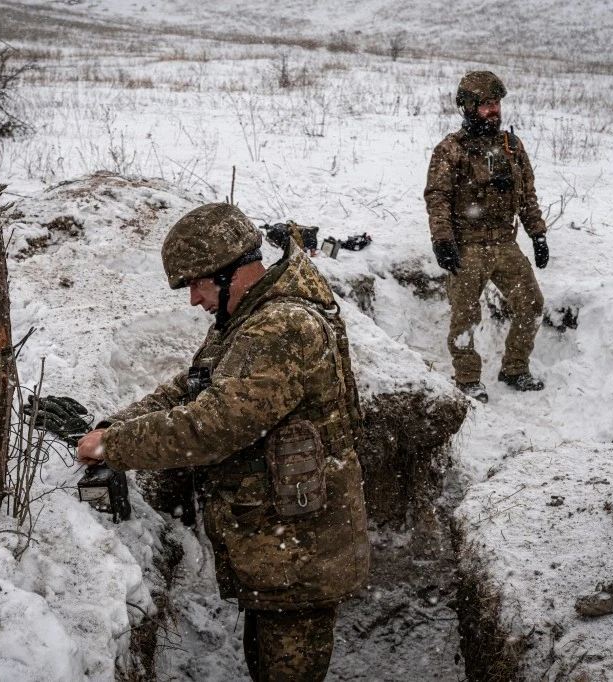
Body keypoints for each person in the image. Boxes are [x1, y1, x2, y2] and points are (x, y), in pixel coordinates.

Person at [76, 203, 370, 681]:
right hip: (278, 550)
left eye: (198, 284)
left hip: (300, 555)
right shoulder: (245, 321)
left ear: (234, 272)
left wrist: (118, 447)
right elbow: (189, 388)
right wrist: (112, 427)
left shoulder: (279, 328)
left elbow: (214, 425)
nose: (193, 299)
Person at [424, 70, 549, 403]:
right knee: (465, 317)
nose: (494, 110)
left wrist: (537, 234)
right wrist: (443, 241)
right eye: (486, 105)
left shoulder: (511, 145)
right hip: (467, 246)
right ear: (467, 106)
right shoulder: (450, 149)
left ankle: (514, 368)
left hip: (504, 244)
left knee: (532, 304)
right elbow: (437, 198)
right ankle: (467, 379)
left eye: (497, 104)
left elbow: (528, 194)